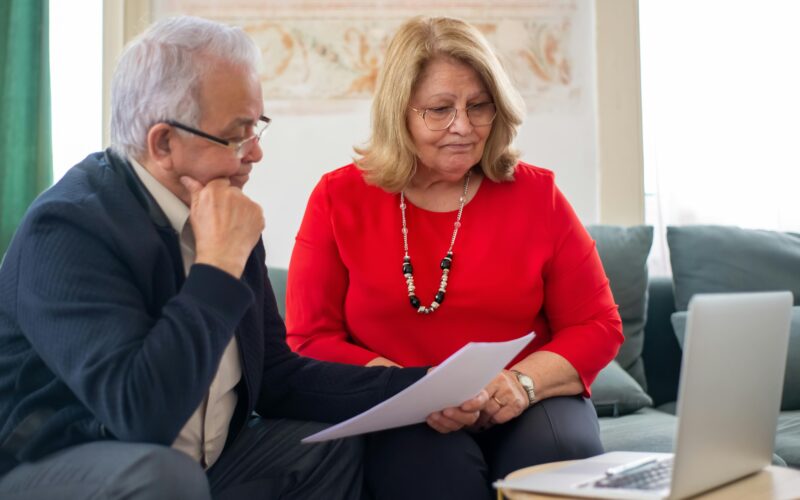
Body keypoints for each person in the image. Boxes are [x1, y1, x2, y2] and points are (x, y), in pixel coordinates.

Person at [0, 16, 487, 500]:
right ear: (163, 143)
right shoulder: (68, 228)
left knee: (329, 446)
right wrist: (217, 266)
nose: (255, 153)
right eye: (237, 135)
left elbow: (279, 377)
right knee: (164, 476)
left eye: (257, 128)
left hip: (203, 466)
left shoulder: (223, 209)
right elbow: (143, 414)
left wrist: (424, 388)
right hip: (59, 467)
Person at [286, 16, 625, 500]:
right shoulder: (338, 198)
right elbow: (309, 339)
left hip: (524, 401)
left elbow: (597, 324)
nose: (463, 126)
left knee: (558, 453)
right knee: (431, 472)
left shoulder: (537, 195)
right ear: (400, 112)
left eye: (478, 106)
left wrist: (521, 383)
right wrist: (409, 389)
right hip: (401, 407)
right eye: (440, 109)